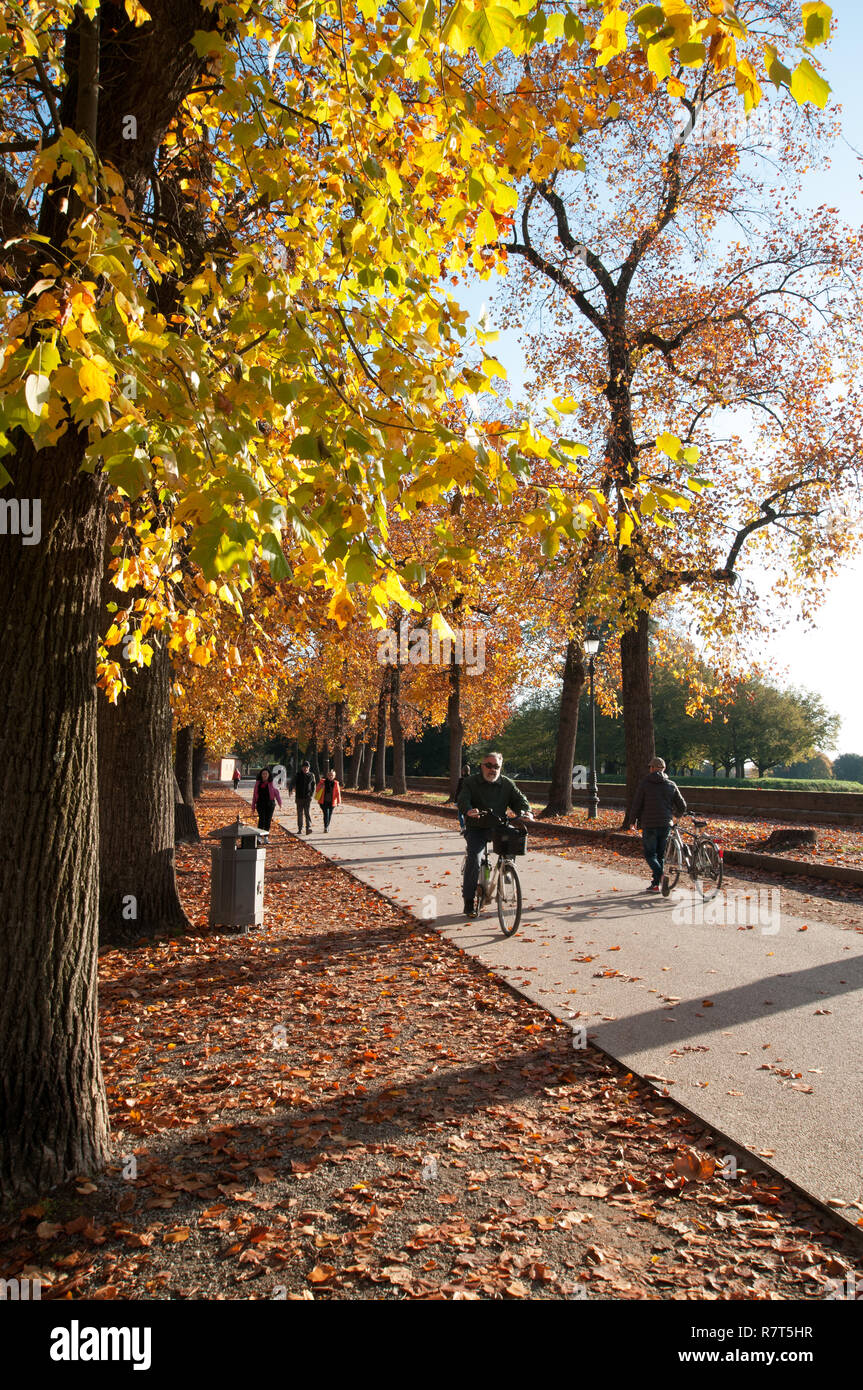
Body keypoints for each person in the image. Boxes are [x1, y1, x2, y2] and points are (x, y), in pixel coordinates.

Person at [456, 753, 533, 916]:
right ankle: (469, 901)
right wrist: (468, 810)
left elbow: (520, 801)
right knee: (474, 859)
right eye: (489, 765)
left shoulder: (507, 784)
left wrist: (526, 811)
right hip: (476, 827)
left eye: (496, 766)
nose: (492, 769)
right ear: (482, 766)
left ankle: (506, 872)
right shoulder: (471, 782)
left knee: (513, 843)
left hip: (498, 827)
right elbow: (463, 799)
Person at [629, 756, 687, 892]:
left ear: (652, 768)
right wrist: (676, 817)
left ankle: (660, 877)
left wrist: (632, 821)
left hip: (649, 824)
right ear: (664, 769)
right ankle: (656, 884)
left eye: (650, 767)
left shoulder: (644, 783)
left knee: (650, 854)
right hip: (666, 824)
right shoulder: (671, 784)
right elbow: (682, 805)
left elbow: (637, 803)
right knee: (660, 855)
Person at [251, 766, 281, 832]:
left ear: (269, 775)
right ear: (261, 775)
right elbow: (254, 795)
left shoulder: (272, 783)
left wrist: (280, 803)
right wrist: (253, 806)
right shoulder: (258, 783)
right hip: (260, 804)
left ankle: (266, 836)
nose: (264, 775)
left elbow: (277, 794)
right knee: (262, 819)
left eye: (266, 774)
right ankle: (259, 835)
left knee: (268, 820)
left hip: (270, 804)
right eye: (263, 774)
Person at [291, 759, 317, 835]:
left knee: (307, 812)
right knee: (300, 813)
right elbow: (293, 782)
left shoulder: (311, 775)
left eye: (307, 767)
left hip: (307, 797)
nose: (305, 769)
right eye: (304, 767)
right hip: (299, 797)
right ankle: (300, 828)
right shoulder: (298, 775)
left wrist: (312, 795)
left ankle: (308, 828)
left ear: (309, 768)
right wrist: (291, 789)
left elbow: (313, 786)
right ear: (302, 768)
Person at [454, 763, 471, 834]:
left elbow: (458, 791)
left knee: (460, 814)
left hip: (461, 800)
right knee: (468, 814)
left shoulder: (461, 780)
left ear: (463, 771)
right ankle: (468, 827)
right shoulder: (471, 779)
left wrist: (455, 801)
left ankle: (463, 827)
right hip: (469, 799)